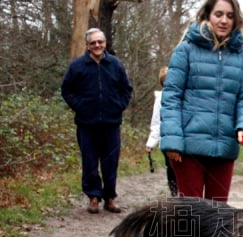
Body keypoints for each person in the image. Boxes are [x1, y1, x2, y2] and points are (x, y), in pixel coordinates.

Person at [160, 0, 243, 203]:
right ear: (207, 15)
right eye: (218, 14)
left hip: (224, 146)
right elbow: (172, 97)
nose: (224, 20)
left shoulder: (242, 56)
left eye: (230, 16)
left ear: (236, 20)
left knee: (219, 216)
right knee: (191, 216)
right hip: (188, 146)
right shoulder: (186, 50)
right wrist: (172, 140)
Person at [61, 28, 132, 214]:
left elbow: (126, 89)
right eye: (93, 43)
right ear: (87, 45)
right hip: (86, 124)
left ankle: (110, 197)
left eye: (100, 42)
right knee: (90, 162)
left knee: (111, 163)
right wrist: (80, 106)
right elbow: (66, 90)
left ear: (105, 43)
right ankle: (93, 197)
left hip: (111, 123)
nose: (97, 45)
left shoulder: (115, 64)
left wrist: (119, 106)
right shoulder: (77, 65)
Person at [145, 66, 177, 196]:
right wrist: (151, 142)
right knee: (170, 167)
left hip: (183, 138)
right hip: (166, 138)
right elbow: (156, 121)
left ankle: (184, 193)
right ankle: (174, 192)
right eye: (165, 82)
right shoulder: (160, 98)